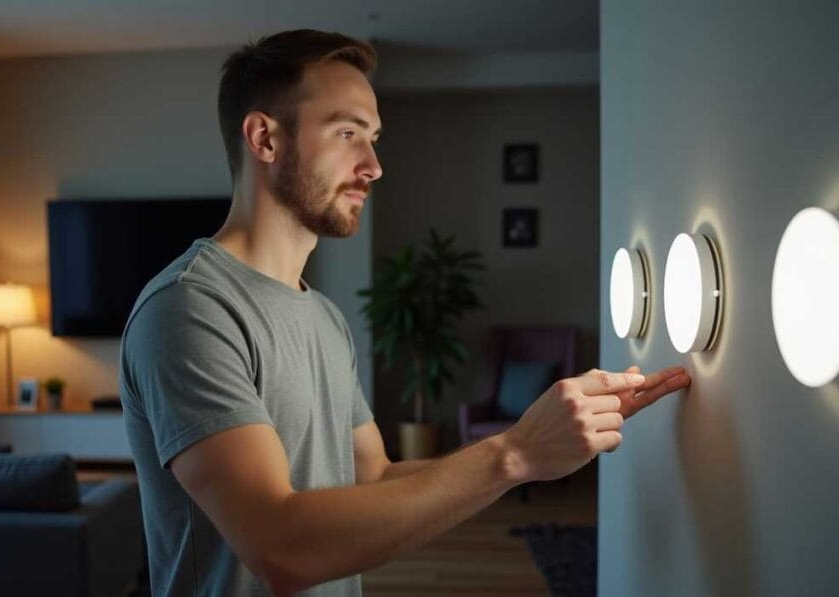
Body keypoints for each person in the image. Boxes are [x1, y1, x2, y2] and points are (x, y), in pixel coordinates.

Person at [118, 29, 691, 597]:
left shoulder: (321, 316)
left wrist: (536, 440)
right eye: (347, 133)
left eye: (373, 137)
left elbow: (374, 476)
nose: (373, 165)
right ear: (265, 138)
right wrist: (511, 455)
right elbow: (281, 548)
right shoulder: (189, 310)